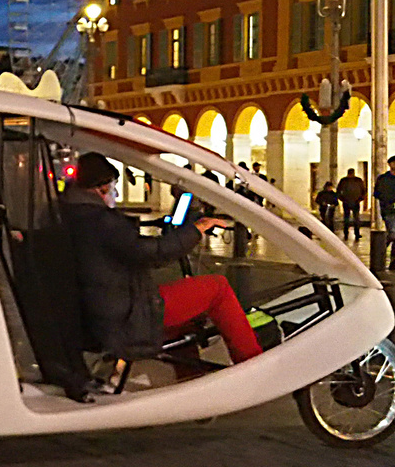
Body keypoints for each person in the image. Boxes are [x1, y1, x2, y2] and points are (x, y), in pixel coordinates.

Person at [63, 154, 261, 370]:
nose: (116, 193)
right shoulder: (100, 220)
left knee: (186, 319)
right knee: (218, 288)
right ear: (100, 189)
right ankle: (254, 365)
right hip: (125, 315)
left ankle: (191, 380)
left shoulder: (69, 215)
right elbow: (152, 253)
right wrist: (196, 230)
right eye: (113, 187)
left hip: (100, 312)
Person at [337, 168, 366, 241]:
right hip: (348, 201)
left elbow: (363, 191)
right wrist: (343, 199)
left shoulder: (356, 180)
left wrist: (360, 199)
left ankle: (355, 233)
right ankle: (347, 233)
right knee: (349, 218)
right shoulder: (345, 181)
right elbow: (338, 191)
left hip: (354, 202)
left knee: (355, 218)